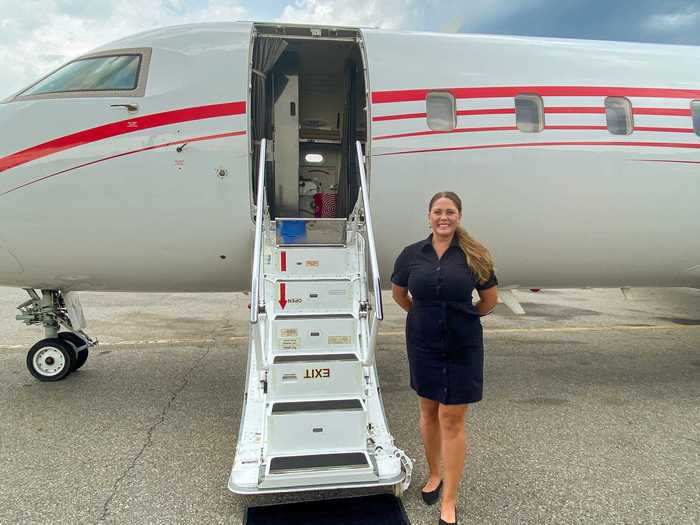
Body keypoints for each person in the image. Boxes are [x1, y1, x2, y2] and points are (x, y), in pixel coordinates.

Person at [391, 191, 498, 525]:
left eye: (450, 212)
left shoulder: (475, 255)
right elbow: (400, 295)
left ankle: (449, 499)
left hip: (462, 344)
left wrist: (461, 318)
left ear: (459, 216)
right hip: (423, 343)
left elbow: (489, 301)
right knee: (428, 410)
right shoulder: (411, 255)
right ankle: (434, 474)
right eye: (438, 212)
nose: (443, 217)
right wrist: (425, 317)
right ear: (429, 216)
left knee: (451, 417)